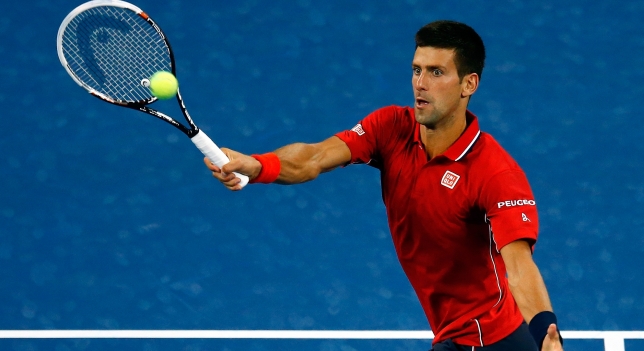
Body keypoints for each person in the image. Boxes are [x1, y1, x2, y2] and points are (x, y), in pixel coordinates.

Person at [204, 20, 564, 351]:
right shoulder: (391, 127)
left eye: (437, 72)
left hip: (476, 338)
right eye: (416, 70)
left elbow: (518, 269)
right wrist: (258, 164)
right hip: (480, 330)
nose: (421, 84)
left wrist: (547, 333)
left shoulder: (495, 173)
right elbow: (313, 157)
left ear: (469, 84)